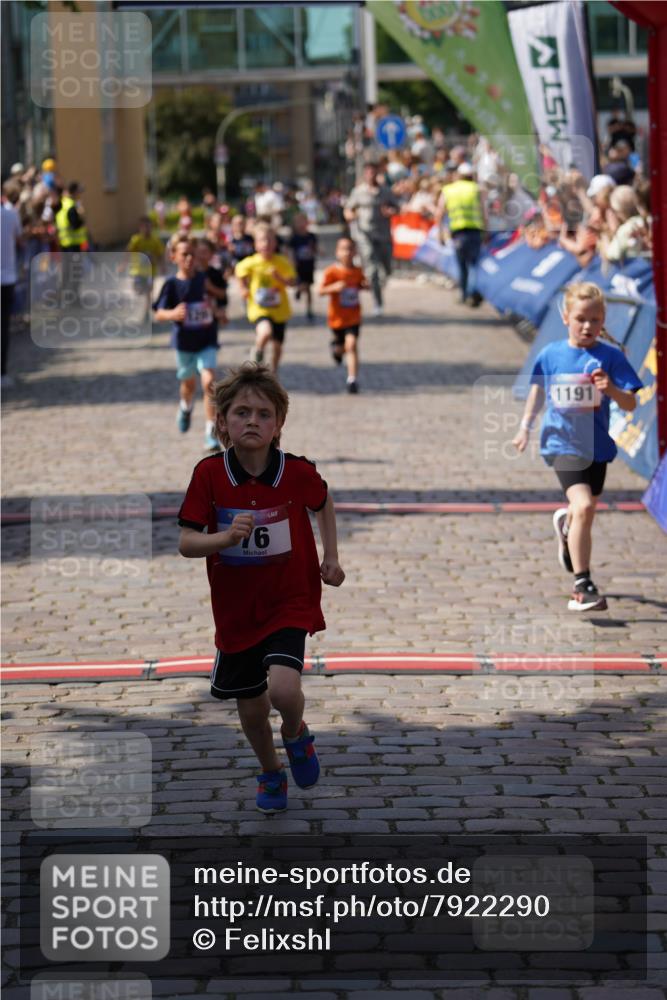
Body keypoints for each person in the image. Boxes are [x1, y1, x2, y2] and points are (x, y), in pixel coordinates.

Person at [178, 362, 345, 812]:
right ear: (222, 423)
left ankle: (295, 732)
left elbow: (324, 501)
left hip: (290, 599)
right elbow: (187, 542)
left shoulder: (296, 472)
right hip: (236, 610)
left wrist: (330, 556)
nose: (252, 420)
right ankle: (271, 772)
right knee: (251, 710)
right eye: (241, 412)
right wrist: (225, 538)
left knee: (284, 691)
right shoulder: (209, 475)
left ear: (279, 425)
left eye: (263, 414)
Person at [513, 282, 642, 612]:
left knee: (585, 511)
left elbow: (629, 404)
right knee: (583, 506)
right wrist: (525, 426)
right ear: (566, 317)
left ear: (603, 321)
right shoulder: (552, 354)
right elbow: (538, 391)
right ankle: (582, 584)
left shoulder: (611, 357)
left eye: (596, 320)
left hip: (597, 447)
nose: (588, 326)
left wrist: (610, 388)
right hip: (561, 443)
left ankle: (566, 527)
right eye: (581, 319)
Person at [153, 234, 226, 453]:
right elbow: (158, 314)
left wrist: (217, 307)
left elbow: (220, 297)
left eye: (192, 255)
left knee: (209, 381)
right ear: (173, 256)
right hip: (184, 343)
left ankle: (211, 435)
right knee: (188, 385)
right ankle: (185, 407)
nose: (189, 259)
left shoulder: (204, 279)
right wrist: (173, 313)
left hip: (207, 339)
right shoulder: (172, 285)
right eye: (184, 254)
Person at [234, 223, 296, 372]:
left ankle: (274, 369)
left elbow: (292, 282)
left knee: (277, 346)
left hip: (279, 310)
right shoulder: (252, 262)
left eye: (269, 240)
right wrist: (243, 288)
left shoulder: (281, 261)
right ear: (255, 244)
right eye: (262, 240)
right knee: (265, 332)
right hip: (259, 308)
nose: (266, 244)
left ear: (275, 243)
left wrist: (279, 277)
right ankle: (257, 353)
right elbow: (239, 271)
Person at [343, 158, 399, 318]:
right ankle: (378, 303)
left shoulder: (386, 191)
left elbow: (396, 207)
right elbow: (348, 209)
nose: (371, 175)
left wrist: (391, 211)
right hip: (365, 236)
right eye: (368, 172)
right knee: (372, 270)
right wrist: (350, 216)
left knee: (387, 268)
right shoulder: (358, 192)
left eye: (373, 172)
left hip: (383, 235)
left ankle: (383, 280)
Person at [318, 236, 368, 394]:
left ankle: (352, 379)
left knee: (351, 345)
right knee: (341, 349)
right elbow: (320, 291)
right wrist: (334, 287)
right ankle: (336, 350)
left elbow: (362, 284)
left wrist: (365, 286)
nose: (347, 252)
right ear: (337, 252)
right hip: (337, 319)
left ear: (355, 252)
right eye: (343, 249)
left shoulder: (358, 271)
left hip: (353, 317)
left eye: (350, 249)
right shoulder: (332, 271)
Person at [435, 162, 486, 307]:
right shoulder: (477, 189)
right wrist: (486, 231)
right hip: (474, 232)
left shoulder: (448, 190)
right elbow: (484, 212)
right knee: (473, 265)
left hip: (457, 233)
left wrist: (439, 233)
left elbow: (439, 213)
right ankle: (471, 294)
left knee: (462, 265)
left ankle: (464, 294)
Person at [1, 182, 24, 388]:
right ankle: (2, 373)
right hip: (6, 278)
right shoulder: (11, 215)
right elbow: (20, 240)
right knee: (3, 327)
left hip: (7, 277)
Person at [126, 216, 165, 323]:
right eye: (145, 227)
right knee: (138, 289)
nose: (147, 229)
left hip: (151, 271)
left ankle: (146, 312)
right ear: (140, 228)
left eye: (149, 227)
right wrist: (124, 264)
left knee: (149, 292)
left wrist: (162, 265)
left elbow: (161, 254)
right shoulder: (136, 239)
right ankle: (142, 307)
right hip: (138, 271)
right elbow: (129, 251)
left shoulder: (155, 240)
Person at [55, 181, 88, 306]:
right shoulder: (72, 207)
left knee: (66, 273)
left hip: (65, 244)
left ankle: (63, 298)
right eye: (79, 191)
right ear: (74, 192)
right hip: (73, 245)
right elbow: (75, 225)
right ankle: (74, 300)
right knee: (74, 273)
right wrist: (82, 215)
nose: (81, 194)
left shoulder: (63, 203)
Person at [289, 212, 318, 321]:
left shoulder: (311, 236)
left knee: (309, 288)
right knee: (302, 284)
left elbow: (315, 248)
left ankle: (309, 309)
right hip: (299, 265)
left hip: (309, 264)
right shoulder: (295, 238)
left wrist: (317, 251)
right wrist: (292, 260)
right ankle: (299, 290)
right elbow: (290, 250)